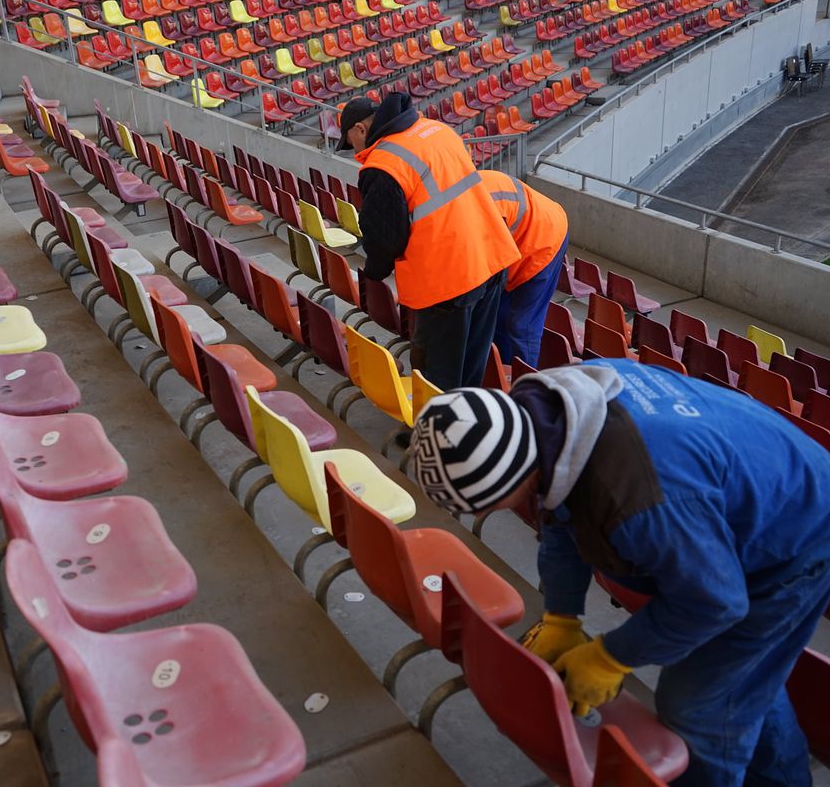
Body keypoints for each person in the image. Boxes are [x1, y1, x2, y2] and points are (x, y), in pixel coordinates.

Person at [408, 359, 830, 786]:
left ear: (517, 476)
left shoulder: (638, 497)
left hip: (797, 540)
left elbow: (715, 602)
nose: (487, 513)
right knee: (742, 676)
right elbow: (560, 512)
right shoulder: (551, 414)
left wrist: (611, 657)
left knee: (696, 707)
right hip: (739, 494)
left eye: (487, 505)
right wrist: (561, 616)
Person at [339, 93, 520, 390]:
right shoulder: (436, 130)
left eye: (350, 143)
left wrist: (373, 272)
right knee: (472, 369)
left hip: (447, 280)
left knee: (438, 378)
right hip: (491, 260)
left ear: (360, 129)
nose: (354, 150)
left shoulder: (383, 163)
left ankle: (437, 433)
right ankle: (464, 430)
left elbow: (386, 239)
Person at [477, 170, 569, 368]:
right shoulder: (462, 195)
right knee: (498, 316)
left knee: (522, 325)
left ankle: (526, 386)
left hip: (544, 240)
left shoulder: (481, 211)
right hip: (522, 237)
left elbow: (490, 271)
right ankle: (503, 372)